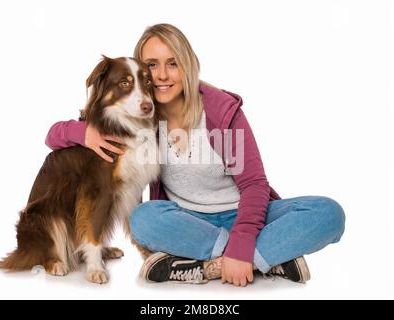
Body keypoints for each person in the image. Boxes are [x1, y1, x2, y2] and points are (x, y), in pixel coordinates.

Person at [45, 23, 345, 287]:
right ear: (141, 71)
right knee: (143, 219)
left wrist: (241, 246)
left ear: (187, 66)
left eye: (172, 63)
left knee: (328, 213)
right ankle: (271, 259)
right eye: (151, 65)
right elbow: (54, 134)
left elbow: (255, 185)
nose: (162, 75)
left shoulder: (221, 112)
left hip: (247, 215)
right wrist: (82, 133)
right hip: (186, 221)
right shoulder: (140, 118)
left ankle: (209, 266)